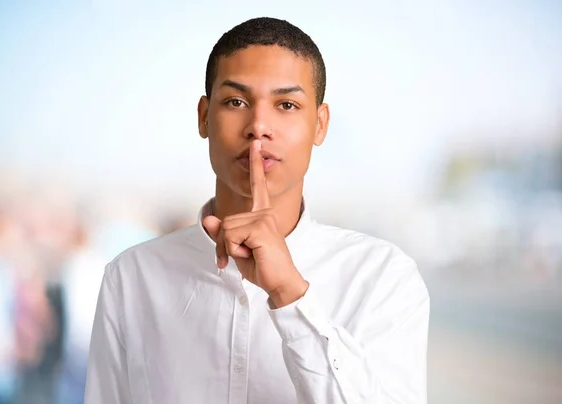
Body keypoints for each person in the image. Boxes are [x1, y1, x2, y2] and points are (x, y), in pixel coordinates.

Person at [85, 17, 430, 404]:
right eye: (236, 102)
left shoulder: (383, 278)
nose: (259, 126)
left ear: (319, 125)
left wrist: (289, 293)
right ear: (203, 116)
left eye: (286, 104)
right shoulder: (131, 278)